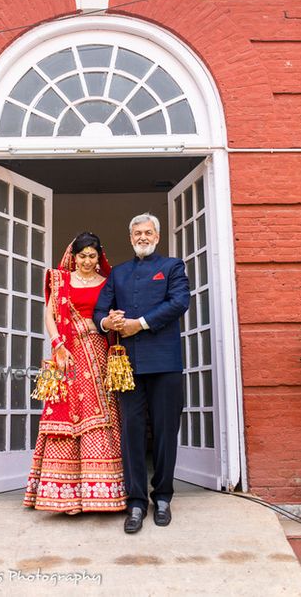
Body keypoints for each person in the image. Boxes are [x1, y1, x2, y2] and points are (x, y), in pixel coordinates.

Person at [94, 213, 190, 533]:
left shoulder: (173, 267)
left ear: (157, 237)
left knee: (165, 433)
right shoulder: (118, 273)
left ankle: (162, 497)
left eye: (148, 232)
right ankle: (135, 502)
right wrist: (109, 322)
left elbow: (179, 303)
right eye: (137, 233)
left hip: (166, 363)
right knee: (131, 434)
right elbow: (99, 311)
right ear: (131, 237)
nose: (143, 237)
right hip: (127, 367)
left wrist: (140, 324)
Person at [23, 232, 127, 514]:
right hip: (66, 355)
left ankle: (102, 494)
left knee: (100, 417)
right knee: (66, 418)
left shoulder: (108, 283)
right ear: (74, 256)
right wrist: (58, 345)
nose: (87, 261)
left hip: (98, 354)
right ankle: (64, 498)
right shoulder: (60, 281)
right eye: (82, 256)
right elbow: (49, 315)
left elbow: (112, 315)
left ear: (99, 257)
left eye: (92, 256)